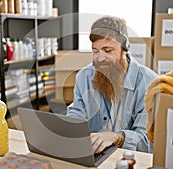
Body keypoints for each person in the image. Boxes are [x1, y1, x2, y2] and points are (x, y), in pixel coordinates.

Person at [66, 15, 158, 153]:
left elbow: (148, 142)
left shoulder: (149, 83)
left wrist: (118, 138)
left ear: (125, 48)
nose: (100, 58)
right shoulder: (84, 76)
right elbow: (77, 113)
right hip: (94, 154)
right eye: (95, 51)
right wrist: (69, 128)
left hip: (129, 158)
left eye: (108, 51)